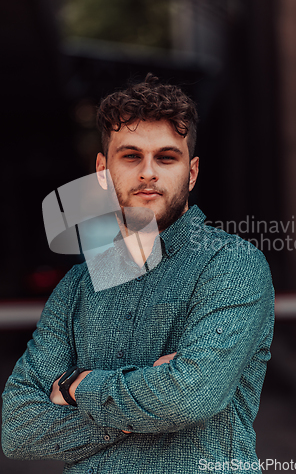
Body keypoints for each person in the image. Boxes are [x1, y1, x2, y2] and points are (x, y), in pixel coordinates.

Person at [1, 73, 274, 474]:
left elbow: (188, 397)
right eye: (131, 156)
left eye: (166, 157)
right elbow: (17, 429)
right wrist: (145, 408)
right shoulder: (77, 287)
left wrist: (77, 385)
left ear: (192, 172)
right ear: (102, 171)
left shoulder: (232, 264)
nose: (148, 172)